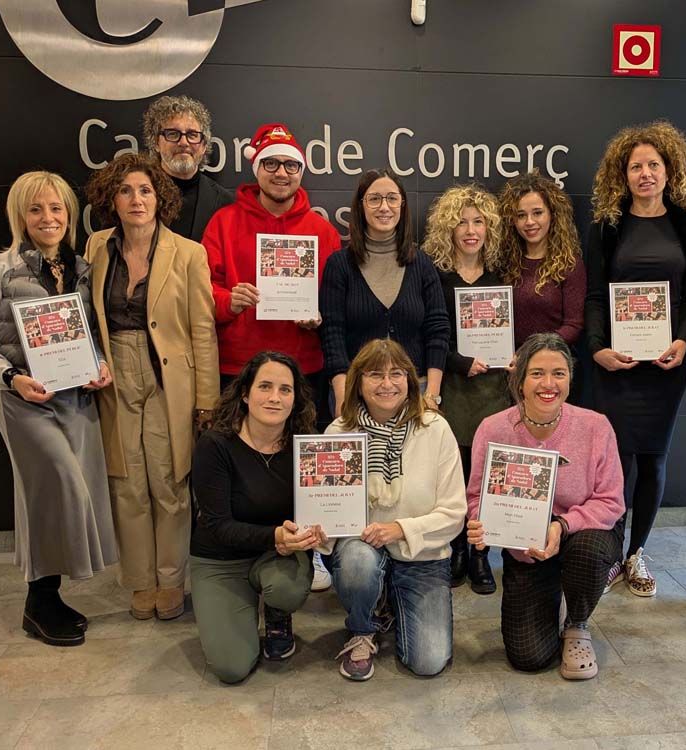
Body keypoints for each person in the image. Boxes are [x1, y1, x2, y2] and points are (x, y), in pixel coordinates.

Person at [0, 171, 117, 647]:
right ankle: (39, 599)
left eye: (56, 209)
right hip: (22, 400)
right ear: (19, 216)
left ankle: (48, 597)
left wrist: (101, 365)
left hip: (76, 397)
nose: (48, 219)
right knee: (54, 485)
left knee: (66, 492)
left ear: (69, 214)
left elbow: (92, 332)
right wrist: (9, 377)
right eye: (36, 210)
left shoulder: (83, 270)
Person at [203, 122, 343, 593]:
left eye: (290, 165)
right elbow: (204, 290)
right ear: (255, 167)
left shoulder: (322, 231)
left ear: (300, 172)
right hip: (238, 364)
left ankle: (313, 548)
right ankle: (243, 548)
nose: (281, 173)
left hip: (302, 367)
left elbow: (333, 300)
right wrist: (229, 300)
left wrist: (318, 316)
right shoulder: (223, 222)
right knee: (244, 465)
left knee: (305, 464)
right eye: (272, 163)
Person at [84, 152, 220, 621]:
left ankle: (171, 581)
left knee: (169, 482)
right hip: (114, 372)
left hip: (169, 377)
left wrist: (206, 401)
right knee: (126, 482)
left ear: (159, 198)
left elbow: (203, 330)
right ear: (112, 199)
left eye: (144, 190)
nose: (136, 199)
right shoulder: (96, 247)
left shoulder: (188, 253)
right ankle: (139, 582)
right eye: (125, 191)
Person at [583, 120, 686, 598]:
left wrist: (683, 341)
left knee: (654, 460)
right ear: (623, 174)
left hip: (665, 366)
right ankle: (611, 553)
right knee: (616, 461)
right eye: (636, 166)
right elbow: (595, 295)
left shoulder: (685, 225)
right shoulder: (607, 228)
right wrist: (597, 349)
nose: (645, 174)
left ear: (668, 171)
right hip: (618, 364)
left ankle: (637, 553)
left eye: (654, 165)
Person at [466, 333, 623, 679]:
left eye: (559, 373)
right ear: (519, 380)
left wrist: (561, 526)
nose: (548, 384)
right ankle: (553, 584)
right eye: (537, 373)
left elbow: (611, 501)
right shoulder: (493, 429)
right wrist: (481, 524)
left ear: (570, 379)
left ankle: (577, 621)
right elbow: (477, 498)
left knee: (589, 550)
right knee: (529, 657)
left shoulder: (596, 427)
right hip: (525, 545)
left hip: (583, 530)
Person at [322, 339, 465, 681]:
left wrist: (399, 529)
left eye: (396, 374)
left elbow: (454, 513)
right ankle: (362, 626)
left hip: (423, 554)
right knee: (358, 562)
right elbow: (328, 510)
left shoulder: (436, 429)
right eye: (375, 375)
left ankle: (389, 601)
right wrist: (319, 528)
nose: (387, 384)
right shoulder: (338, 432)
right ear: (358, 382)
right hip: (363, 548)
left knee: (428, 662)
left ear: (410, 380)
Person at [189, 351, 323, 683]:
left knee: (286, 590)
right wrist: (274, 536)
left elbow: (319, 510)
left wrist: (317, 531)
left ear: (296, 399)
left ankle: (277, 613)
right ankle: (241, 608)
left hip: (278, 555)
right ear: (246, 393)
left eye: (285, 389)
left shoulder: (306, 445)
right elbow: (217, 526)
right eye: (265, 386)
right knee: (231, 668)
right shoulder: (215, 444)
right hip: (221, 559)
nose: (275, 397)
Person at [424, 184, 509, 594]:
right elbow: (431, 334)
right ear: (448, 229)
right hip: (454, 386)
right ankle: (457, 547)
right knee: (456, 474)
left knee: (488, 475)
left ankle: (481, 554)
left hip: (496, 389)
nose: (470, 230)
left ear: (489, 229)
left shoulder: (500, 277)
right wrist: (460, 362)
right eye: (461, 222)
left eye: (478, 222)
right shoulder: (436, 277)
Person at [320, 169, 451, 417]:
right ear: (361, 206)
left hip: (416, 394)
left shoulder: (422, 264)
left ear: (402, 204)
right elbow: (332, 334)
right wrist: (341, 396)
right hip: (355, 394)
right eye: (374, 199)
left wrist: (432, 395)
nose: (384, 207)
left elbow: (437, 330)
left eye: (392, 198)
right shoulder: (339, 265)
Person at [498, 172, 586, 351]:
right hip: (507, 368)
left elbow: (573, 326)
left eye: (537, 213)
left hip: (551, 364)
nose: (529, 222)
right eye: (521, 215)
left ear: (552, 214)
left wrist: (533, 352)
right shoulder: (503, 263)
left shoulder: (569, 264)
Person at [141, 95, 234, 242]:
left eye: (192, 135)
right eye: (173, 134)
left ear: (204, 146)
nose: (183, 142)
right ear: (156, 143)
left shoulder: (226, 203)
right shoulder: (136, 196)